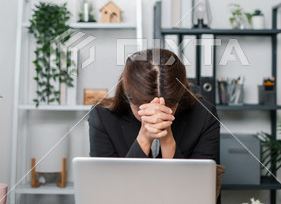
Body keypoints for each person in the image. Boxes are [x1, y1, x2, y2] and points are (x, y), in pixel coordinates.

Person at [89, 48, 219, 161]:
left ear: (179, 99)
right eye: (143, 109)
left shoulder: (204, 116)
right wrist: (144, 139)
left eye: (166, 109)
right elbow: (107, 186)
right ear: (127, 97)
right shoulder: (102, 117)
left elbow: (203, 186)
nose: (155, 116)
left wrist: (167, 140)